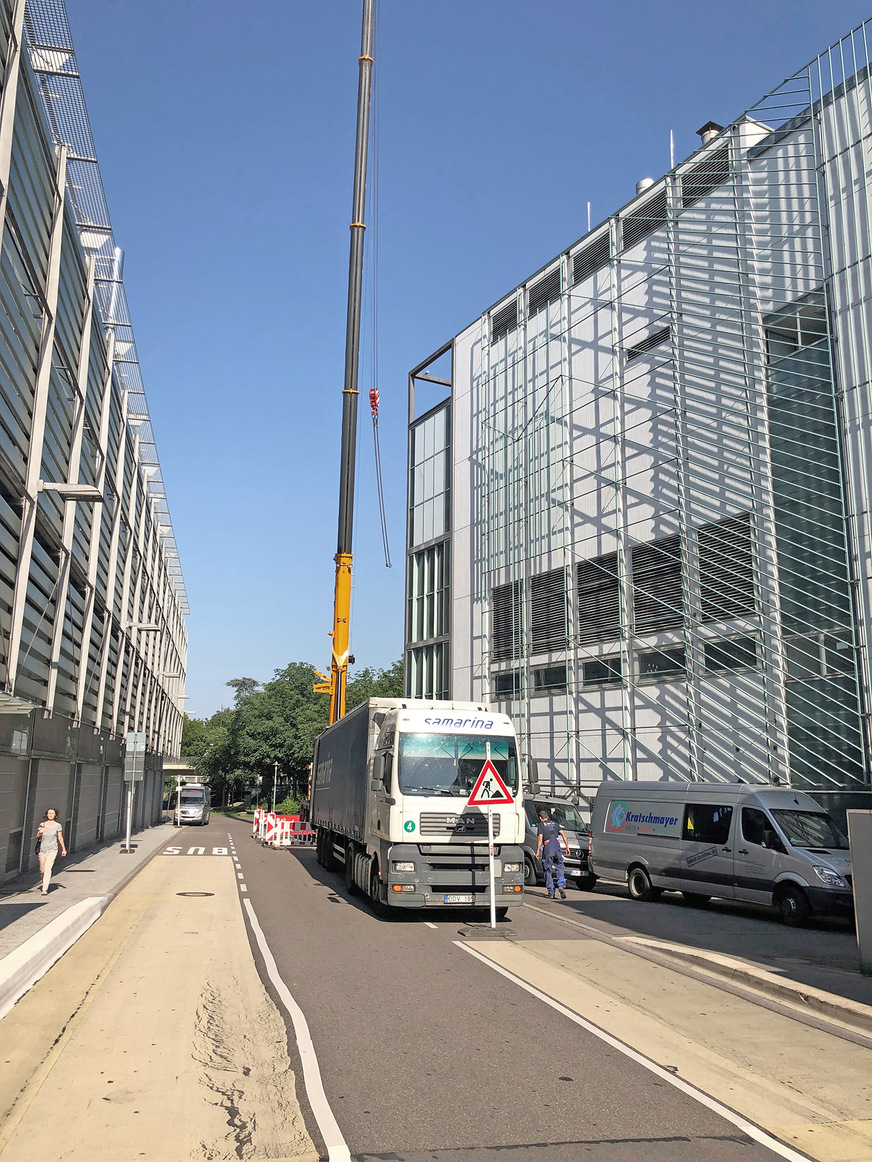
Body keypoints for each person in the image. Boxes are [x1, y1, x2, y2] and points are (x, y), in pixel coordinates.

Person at [535, 808, 568, 899]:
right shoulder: (555, 824)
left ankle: (551, 891)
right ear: (548, 817)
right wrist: (567, 847)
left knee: (547, 869)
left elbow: (540, 838)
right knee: (559, 866)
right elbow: (564, 835)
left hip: (548, 847)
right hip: (557, 846)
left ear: (541, 818)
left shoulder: (541, 825)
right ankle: (561, 884)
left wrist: (538, 851)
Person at [35, 808, 66, 896]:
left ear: (55, 815)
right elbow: (37, 836)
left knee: (47, 868)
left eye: (52, 813)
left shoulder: (58, 825)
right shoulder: (42, 824)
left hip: (53, 849)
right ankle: (44, 881)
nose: (51, 815)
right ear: (47, 815)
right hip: (43, 850)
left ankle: (45, 889)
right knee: (42, 870)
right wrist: (41, 832)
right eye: (49, 813)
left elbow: (60, 838)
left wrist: (63, 849)